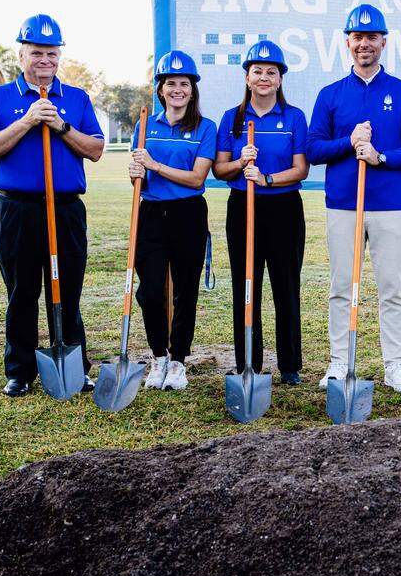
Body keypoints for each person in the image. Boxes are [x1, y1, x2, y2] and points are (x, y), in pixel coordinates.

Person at [0, 14, 105, 397]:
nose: (45, 60)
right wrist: (29, 121)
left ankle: (74, 366)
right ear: (21, 55)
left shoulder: (77, 99)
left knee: (68, 289)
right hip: (18, 210)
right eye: (36, 53)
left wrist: (61, 126)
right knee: (22, 291)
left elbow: (95, 149)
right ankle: (20, 370)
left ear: (59, 55)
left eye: (51, 53)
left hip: (64, 209)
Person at [305, 4, 401, 393]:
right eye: (357, 38)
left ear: (383, 42)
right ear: (348, 43)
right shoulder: (331, 95)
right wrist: (350, 142)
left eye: (371, 37)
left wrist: (381, 156)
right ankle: (340, 361)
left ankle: (395, 363)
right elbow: (313, 149)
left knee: (392, 286)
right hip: (343, 204)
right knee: (342, 285)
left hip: (390, 204)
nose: (364, 44)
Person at [214, 40, 309, 385]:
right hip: (243, 207)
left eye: (271, 72)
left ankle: (289, 366)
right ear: (247, 77)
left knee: (286, 285)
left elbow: (301, 169)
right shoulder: (233, 118)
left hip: (283, 208)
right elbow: (219, 170)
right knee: (246, 284)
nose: (264, 78)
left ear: (280, 78)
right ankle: (247, 363)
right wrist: (241, 162)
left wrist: (267, 178)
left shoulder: (294, 116)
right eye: (258, 72)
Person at [128, 50, 216, 391]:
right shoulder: (145, 125)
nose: (177, 89)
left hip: (188, 214)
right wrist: (136, 172)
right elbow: (142, 177)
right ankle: (158, 358)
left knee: (185, 291)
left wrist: (153, 165)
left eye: (184, 83)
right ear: (160, 89)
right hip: (151, 213)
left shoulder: (205, 128)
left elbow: (197, 178)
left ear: (192, 90)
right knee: (149, 292)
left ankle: (178, 360)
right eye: (170, 83)